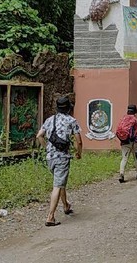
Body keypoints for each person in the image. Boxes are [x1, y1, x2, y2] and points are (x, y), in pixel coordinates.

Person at [36, 96, 83, 227]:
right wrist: (78, 153)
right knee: (57, 185)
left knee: (59, 181)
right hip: (62, 157)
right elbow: (78, 141)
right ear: (69, 108)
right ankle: (50, 217)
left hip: (50, 158)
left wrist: (46, 148)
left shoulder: (49, 120)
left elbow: (39, 135)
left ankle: (66, 205)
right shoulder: (72, 121)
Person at [117, 104, 137, 183]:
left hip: (124, 141)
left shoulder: (123, 119)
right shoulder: (136, 120)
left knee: (124, 158)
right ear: (135, 112)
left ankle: (121, 174)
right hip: (134, 141)